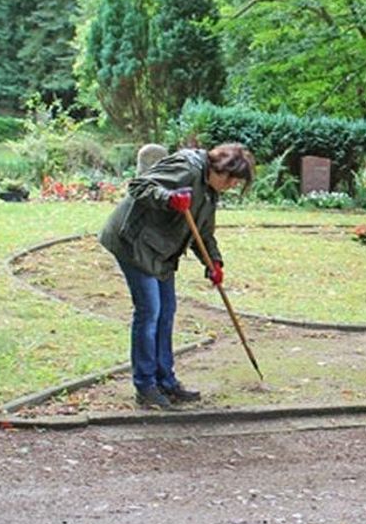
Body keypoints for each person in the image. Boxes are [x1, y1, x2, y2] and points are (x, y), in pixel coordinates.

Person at [99, 143, 255, 409]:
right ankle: (146, 386)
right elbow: (139, 187)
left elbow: (202, 232)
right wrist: (169, 199)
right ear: (221, 170)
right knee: (150, 312)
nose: (231, 187)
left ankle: (166, 380)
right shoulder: (185, 168)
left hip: (161, 251)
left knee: (167, 311)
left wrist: (213, 262)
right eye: (232, 181)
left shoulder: (209, 190)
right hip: (134, 242)